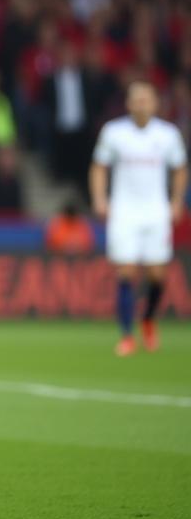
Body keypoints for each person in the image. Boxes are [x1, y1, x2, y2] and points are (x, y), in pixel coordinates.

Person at [89, 81, 187, 355]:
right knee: (126, 271)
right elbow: (99, 167)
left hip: (156, 211)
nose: (142, 104)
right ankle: (127, 335)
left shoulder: (167, 134)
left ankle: (147, 319)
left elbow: (180, 169)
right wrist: (100, 198)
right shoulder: (114, 132)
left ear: (155, 103)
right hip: (124, 211)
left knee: (157, 275)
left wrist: (177, 200)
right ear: (129, 104)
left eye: (147, 99)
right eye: (137, 99)